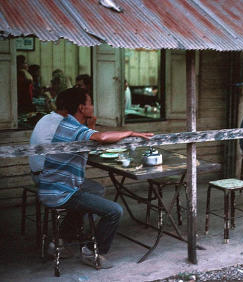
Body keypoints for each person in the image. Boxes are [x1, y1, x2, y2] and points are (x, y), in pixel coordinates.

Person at [38, 87, 153, 268]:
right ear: (82, 108)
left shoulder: (68, 123)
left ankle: (61, 240)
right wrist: (130, 133)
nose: (92, 106)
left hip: (53, 187)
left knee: (97, 190)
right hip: (61, 191)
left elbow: (89, 138)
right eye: (90, 103)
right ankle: (92, 252)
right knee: (114, 211)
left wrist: (91, 125)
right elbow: (102, 136)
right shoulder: (73, 127)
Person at [29, 90, 105, 246]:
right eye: (89, 103)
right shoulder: (63, 124)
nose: (92, 106)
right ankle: (68, 234)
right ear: (77, 107)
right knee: (95, 190)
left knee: (82, 191)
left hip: (38, 173)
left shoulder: (47, 118)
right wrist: (91, 127)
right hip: (51, 179)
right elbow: (89, 148)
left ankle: (69, 231)